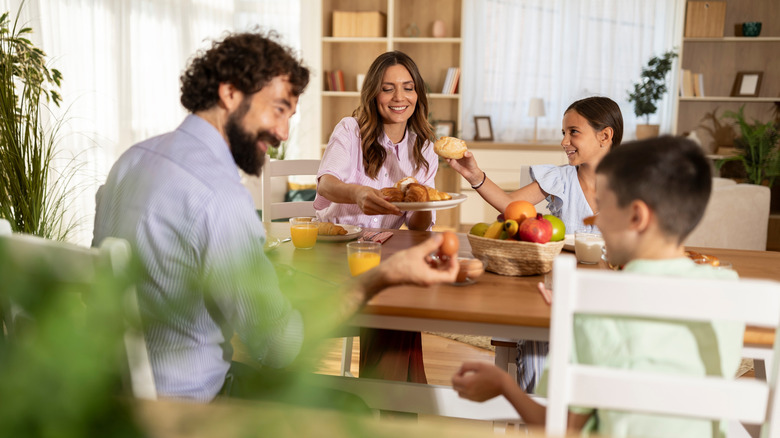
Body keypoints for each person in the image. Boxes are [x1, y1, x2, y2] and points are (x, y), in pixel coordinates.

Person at [92, 32, 458, 404]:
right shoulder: (221, 197)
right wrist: (375, 280)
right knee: (352, 406)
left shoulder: (130, 161)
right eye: (279, 109)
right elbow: (279, 347)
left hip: (115, 392)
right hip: (192, 403)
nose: (282, 133)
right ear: (231, 94)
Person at [452, 136, 743, 437]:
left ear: (636, 216)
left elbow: (563, 431)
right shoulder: (727, 289)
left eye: (603, 207)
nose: (593, 220)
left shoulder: (591, 306)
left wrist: (504, 386)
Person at [447, 96, 624, 392]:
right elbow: (510, 205)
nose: (564, 141)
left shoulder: (633, 185)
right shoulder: (561, 178)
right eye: (563, 133)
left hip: (608, 299)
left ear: (605, 136)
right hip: (557, 296)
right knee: (539, 351)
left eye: (573, 132)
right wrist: (475, 176)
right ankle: (541, 417)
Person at [314, 51, 438, 384]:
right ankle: (399, 407)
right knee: (397, 310)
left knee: (402, 301)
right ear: (373, 94)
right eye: (388, 88)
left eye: (408, 87)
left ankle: (386, 403)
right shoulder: (351, 130)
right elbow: (327, 183)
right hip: (333, 256)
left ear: (418, 94)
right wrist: (358, 194)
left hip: (379, 256)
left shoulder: (424, 147)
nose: (400, 97)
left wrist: (423, 204)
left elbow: (417, 225)